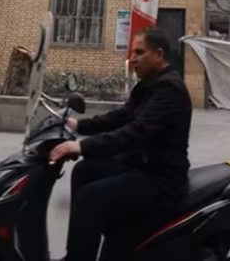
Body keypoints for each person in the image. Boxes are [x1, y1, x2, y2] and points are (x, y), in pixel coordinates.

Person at [49, 29, 192, 261]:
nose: (133, 59)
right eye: (132, 53)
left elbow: (136, 132)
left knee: (89, 198)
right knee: (84, 171)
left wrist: (83, 147)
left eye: (139, 52)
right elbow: (121, 116)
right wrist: (79, 126)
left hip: (161, 179)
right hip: (140, 166)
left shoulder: (169, 89)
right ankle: (80, 252)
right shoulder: (148, 85)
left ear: (158, 54)